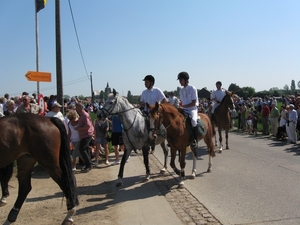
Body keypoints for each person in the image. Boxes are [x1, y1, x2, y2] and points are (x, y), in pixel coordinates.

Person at [177, 71, 199, 149]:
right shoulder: (181, 90)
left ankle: (195, 140)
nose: (179, 82)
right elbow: (182, 102)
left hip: (192, 109)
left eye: (181, 80)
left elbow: (193, 103)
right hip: (184, 109)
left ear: (185, 80)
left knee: (193, 121)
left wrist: (184, 107)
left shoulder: (192, 88)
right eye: (179, 80)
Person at [75, 102, 95, 172]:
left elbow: (87, 126)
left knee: (82, 148)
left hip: (87, 134)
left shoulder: (85, 115)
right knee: (85, 149)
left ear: (80, 108)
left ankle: (88, 164)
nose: (76, 109)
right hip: (84, 135)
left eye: (77, 107)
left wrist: (79, 129)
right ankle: (88, 164)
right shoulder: (81, 115)